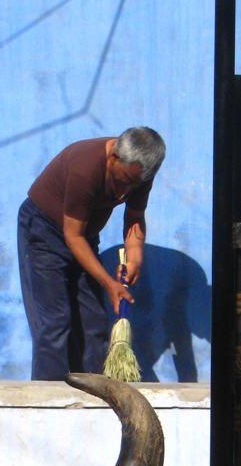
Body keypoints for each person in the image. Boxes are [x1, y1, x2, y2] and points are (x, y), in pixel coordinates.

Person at [18, 127, 166, 379]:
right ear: (114, 157)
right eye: (124, 181)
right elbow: (72, 237)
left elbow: (134, 216)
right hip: (44, 232)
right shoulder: (84, 168)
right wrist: (109, 284)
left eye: (135, 184)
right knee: (54, 323)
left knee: (93, 321)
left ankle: (96, 398)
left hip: (83, 235)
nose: (127, 190)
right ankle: (49, 400)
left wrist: (135, 259)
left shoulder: (140, 171)